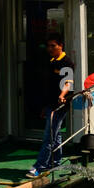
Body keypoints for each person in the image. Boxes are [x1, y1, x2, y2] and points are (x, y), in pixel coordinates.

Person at [28, 32, 75, 177]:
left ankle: (39, 166)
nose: (50, 49)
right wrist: (44, 107)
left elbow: (68, 83)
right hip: (50, 104)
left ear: (61, 46)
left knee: (49, 136)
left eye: (53, 46)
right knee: (56, 134)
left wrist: (62, 96)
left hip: (59, 105)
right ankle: (57, 162)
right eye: (48, 46)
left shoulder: (67, 63)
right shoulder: (50, 61)